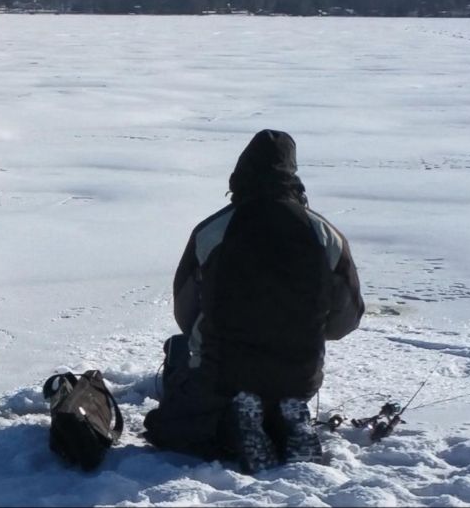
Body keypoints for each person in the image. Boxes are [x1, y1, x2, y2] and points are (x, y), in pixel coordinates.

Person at [143, 129, 365, 474]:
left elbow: (185, 312)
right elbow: (346, 320)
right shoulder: (325, 234)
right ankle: (286, 418)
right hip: (299, 373)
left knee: (166, 426)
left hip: (222, 374)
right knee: (278, 388)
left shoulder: (213, 231)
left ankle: (235, 425)